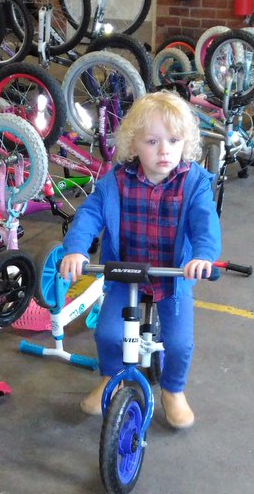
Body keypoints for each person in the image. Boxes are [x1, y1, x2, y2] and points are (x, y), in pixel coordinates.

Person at [60, 89, 221, 427]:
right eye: (152, 142)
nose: (164, 150)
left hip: (172, 276)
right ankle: (111, 376)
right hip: (125, 271)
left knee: (178, 342)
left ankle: (174, 390)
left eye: (174, 141)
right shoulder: (115, 182)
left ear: (185, 143)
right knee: (108, 334)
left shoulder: (194, 184)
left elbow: (205, 222)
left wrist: (204, 255)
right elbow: (89, 215)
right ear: (133, 145)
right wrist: (76, 249)